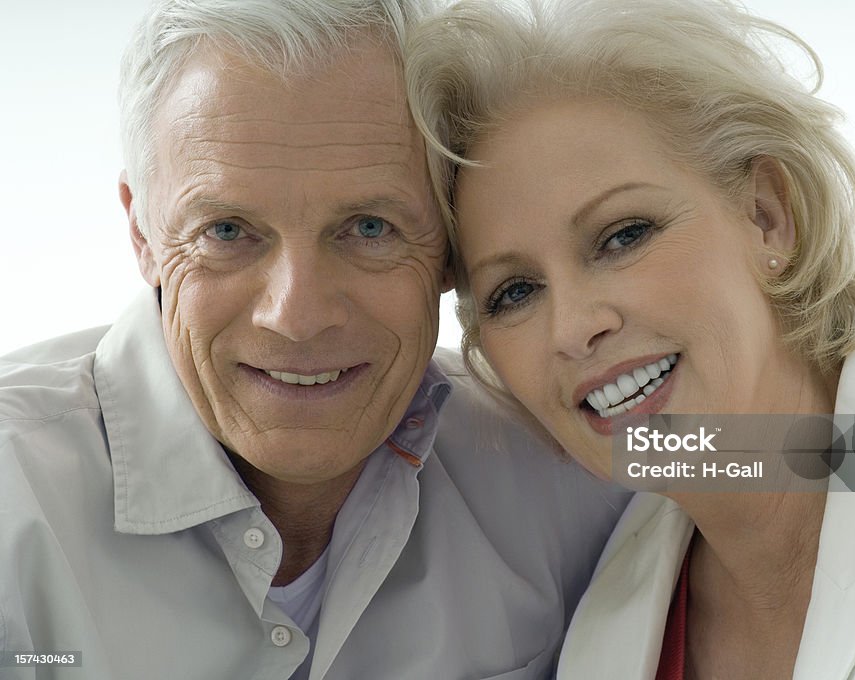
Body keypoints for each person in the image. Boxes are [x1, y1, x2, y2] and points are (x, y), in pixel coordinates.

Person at [0, 1, 630, 678]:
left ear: (452, 243)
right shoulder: (15, 499)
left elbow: (756, 456)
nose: (296, 316)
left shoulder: (563, 452)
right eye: (227, 231)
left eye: (368, 228)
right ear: (142, 235)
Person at [404, 0, 855, 678]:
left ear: (767, 216)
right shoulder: (610, 593)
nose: (576, 329)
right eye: (515, 292)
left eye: (623, 236)